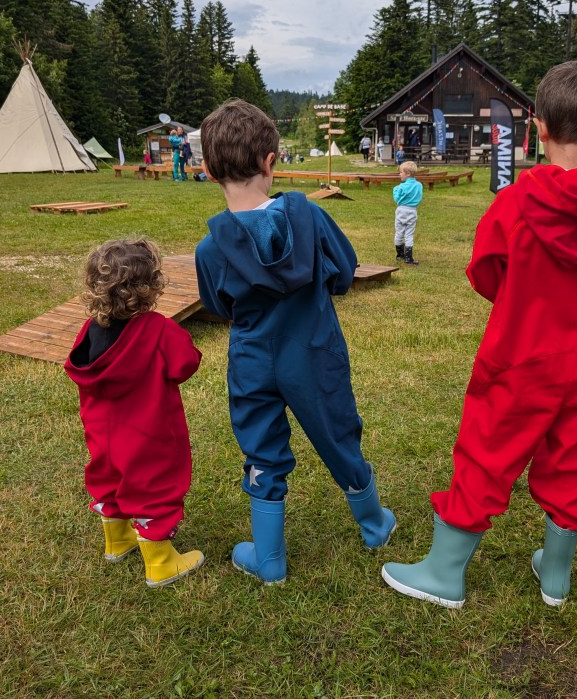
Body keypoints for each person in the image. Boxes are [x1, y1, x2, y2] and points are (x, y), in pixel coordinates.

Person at [381, 60, 577, 609]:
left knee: (487, 452)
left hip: (520, 355)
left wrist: (525, 301)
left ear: (537, 129)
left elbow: (486, 273)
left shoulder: (514, 204)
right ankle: (555, 575)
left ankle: (444, 571)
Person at [194, 99, 396, 584]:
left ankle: (270, 561)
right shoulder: (311, 218)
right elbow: (345, 272)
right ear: (271, 162)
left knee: (262, 449)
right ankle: (373, 524)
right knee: (337, 432)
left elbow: (218, 308)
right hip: (314, 350)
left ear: (206, 169)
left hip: (251, 360)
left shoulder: (210, 248)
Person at [64, 238, 205, 588]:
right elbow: (185, 364)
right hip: (148, 432)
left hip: (102, 433)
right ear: (151, 285)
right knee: (153, 486)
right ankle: (160, 562)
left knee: (108, 479)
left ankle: (118, 541)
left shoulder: (89, 331)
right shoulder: (160, 330)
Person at [393, 160, 423, 265]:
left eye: (401, 172)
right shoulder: (419, 185)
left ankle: (399, 255)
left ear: (408, 174)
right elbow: (419, 197)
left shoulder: (400, 187)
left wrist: (395, 190)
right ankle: (408, 258)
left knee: (399, 232)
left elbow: (397, 199)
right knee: (409, 234)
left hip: (401, 210)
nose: (399, 174)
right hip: (412, 210)